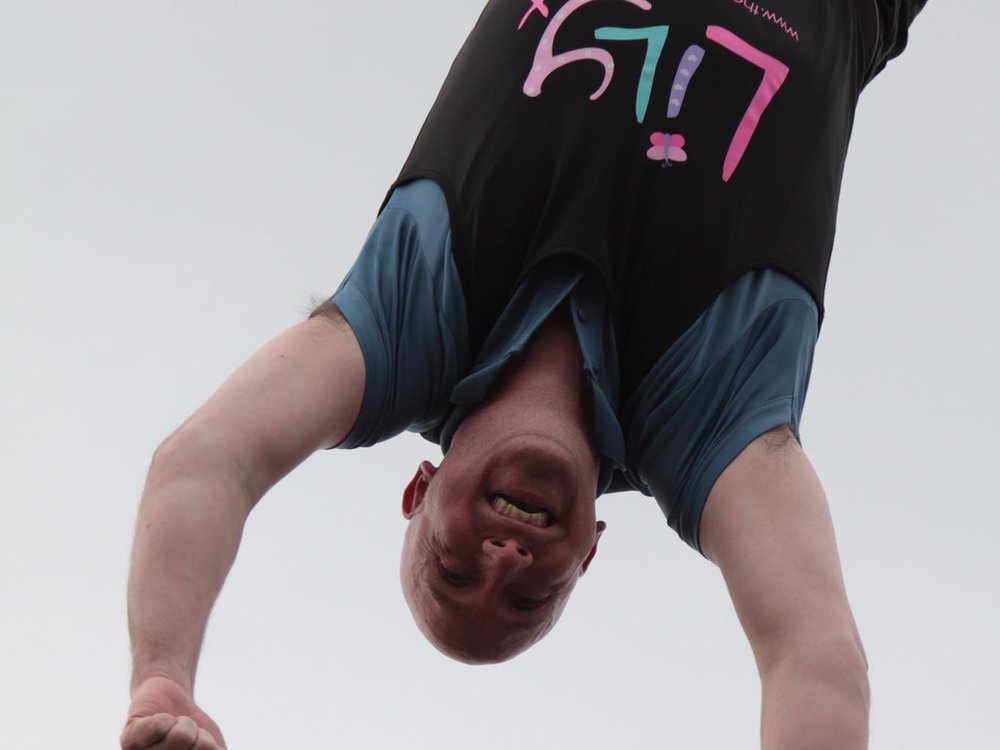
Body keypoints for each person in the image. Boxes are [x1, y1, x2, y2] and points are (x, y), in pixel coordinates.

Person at [120, 1, 927, 748]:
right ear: (587, 553)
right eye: (528, 599)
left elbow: (206, 459)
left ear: (419, 490)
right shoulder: (709, 427)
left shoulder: (403, 328)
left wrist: (161, 674)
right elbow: (813, 653)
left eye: (456, 570)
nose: (505, 562)